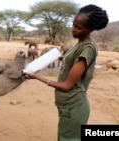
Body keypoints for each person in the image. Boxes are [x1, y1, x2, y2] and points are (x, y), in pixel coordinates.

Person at [23, 4, 109, 141]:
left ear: (91, 29)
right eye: (73, 24)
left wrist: (38, 77)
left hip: (73, 107)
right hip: (68, 106)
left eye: (79, 27)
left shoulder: (87, 48)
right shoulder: (80, 44)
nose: (73, 29)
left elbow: (67, 85)